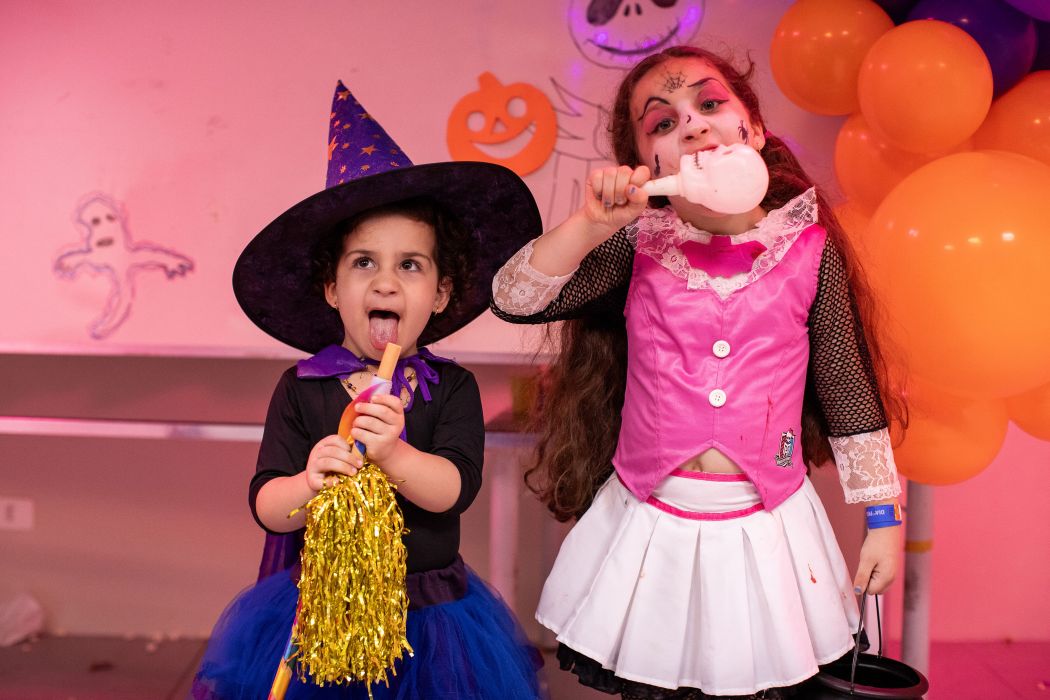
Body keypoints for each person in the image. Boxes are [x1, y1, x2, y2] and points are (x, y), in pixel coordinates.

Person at [491, 46, 907, 700]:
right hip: (650, 524)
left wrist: (883, 518)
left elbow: (845, 384)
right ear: (647, 166)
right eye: (662, 123)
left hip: (768, 525)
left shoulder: (809, 249)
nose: (691, 124)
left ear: (755, 131)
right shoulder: (637, 245)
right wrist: (590, 223)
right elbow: (515, 300)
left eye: (710, 104)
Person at [193, 83, 545, 699]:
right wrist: (307, 482)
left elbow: (454, 492)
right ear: (332, 289)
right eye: (363, 263)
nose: (386, 282)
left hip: (432, 622)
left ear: (439, 294)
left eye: (410, 265)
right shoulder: (301, 388)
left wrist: (395, 454)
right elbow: (267, 505)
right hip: (324, 620)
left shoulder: (452, 388)